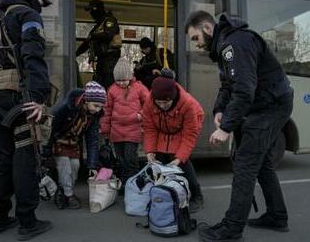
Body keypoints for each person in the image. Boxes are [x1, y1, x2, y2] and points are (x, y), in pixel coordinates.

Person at [185, 11, 294, 241]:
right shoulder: (227, 45)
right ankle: (277, 216)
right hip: (269, 103)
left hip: (270, 106)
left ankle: (231, 229)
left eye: (195, 38)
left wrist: (225, 128)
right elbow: (228, 85)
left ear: (206, 27)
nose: (196, 45)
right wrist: (219, 110)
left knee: (245, 164)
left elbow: (244, 90)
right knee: (262, 163)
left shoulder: (235, 44)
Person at [0, 0, 53, 240]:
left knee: (3, 158)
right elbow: (32, 55)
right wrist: (37, 96)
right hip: (20, 93)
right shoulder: (28, 15)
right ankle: (28, 221)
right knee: (26, 154)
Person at [142, 69, 205, 213]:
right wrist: (150, 150)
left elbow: (190, 134)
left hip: (183, 130)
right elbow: (149, 128)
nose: (162, 106)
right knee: (160, 160)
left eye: (166, 102)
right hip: (163, 130)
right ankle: (168, 194)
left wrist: (179, 157)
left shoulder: (187, 104)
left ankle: (197, 196)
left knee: (182, 163)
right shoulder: (149, 102)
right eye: (159, 102)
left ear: (173, 97)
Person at [42, 81, 106, 209]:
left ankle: (63, 190)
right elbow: (51, 129)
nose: (98, 109)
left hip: (73, 144)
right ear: (87, 100)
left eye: (100, 106)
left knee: (75, 167)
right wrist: (46, 149)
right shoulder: (66, 107)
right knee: (64, 166)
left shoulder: (94, 115)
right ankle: (68, 194)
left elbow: (92, 139)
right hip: (58, 140)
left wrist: (92, 165)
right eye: (96, 105)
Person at [101, 58, 149, 189]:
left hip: (133, 130)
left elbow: (149, 104)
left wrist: (141, 116)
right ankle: (124, 183)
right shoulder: (112, 90)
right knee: (121, 160)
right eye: (118, 80)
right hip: (116, 131)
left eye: (124, 80)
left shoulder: (139, 88)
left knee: (130, 159)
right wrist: (105, 130)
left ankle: (132, 184)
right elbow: (107, 111)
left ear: (130, 77)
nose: (121, 83)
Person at [76, 0, 121, 89]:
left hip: (110, 60)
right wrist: (75, 54)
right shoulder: (98, 26)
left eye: (92, 11)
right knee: (96, 85)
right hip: (101, 60)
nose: (91, 14)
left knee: (109, 86)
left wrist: (94, 36)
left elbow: (108, 35)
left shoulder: (110, 21)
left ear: (97, 10)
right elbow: (87, 43)